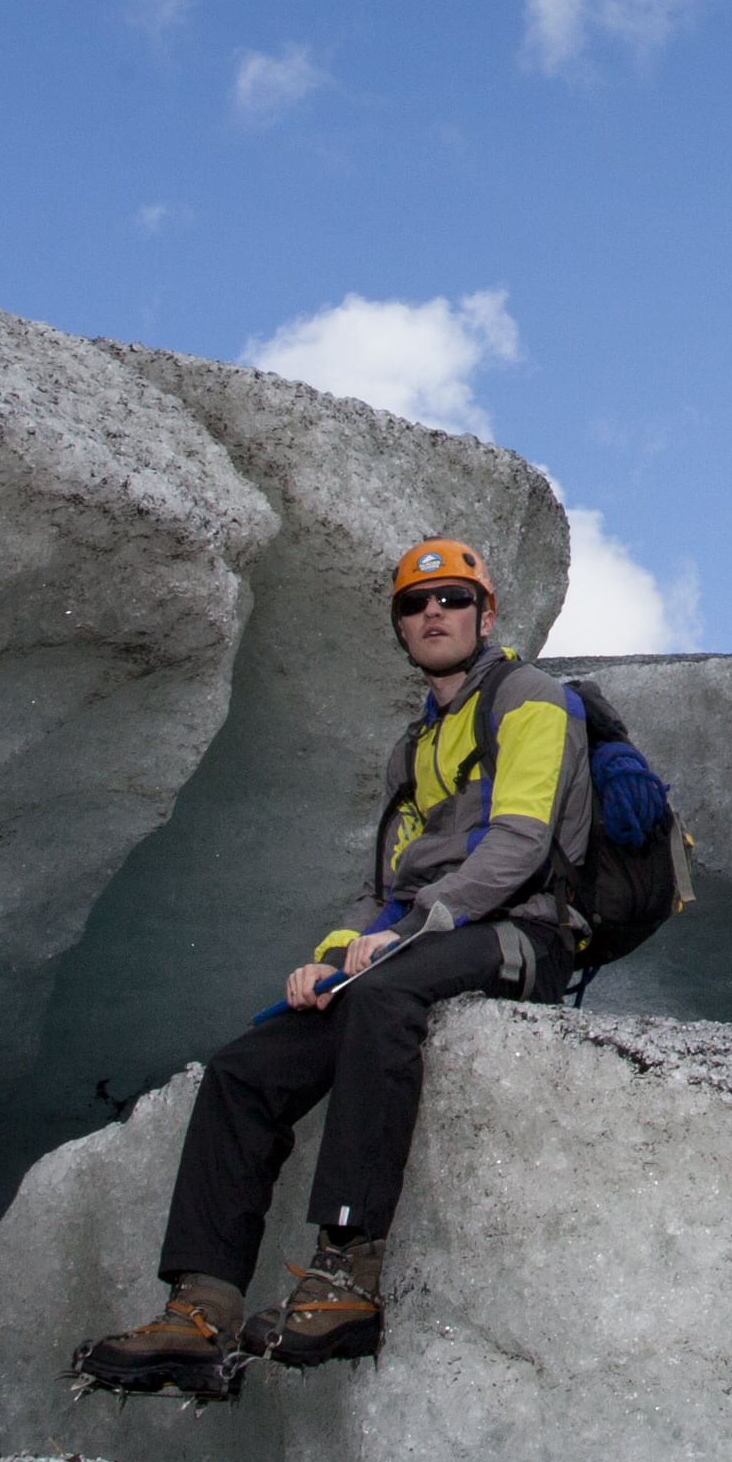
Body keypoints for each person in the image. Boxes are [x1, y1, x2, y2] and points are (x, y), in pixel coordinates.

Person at [76, 536, 589, 1395]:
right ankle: (202, 1304)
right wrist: (321, 963)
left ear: (487, 614)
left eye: (454, 599)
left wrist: (413, 930)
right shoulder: (411, 749)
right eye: (415, 604)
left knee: (386, 994)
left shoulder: (530, 700)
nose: (434, 613)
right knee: (247, 1067)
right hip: (423, 938)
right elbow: (376, 887)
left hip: (522, 934)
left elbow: (521, 844)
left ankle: (348, 1269)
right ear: (399, 626)